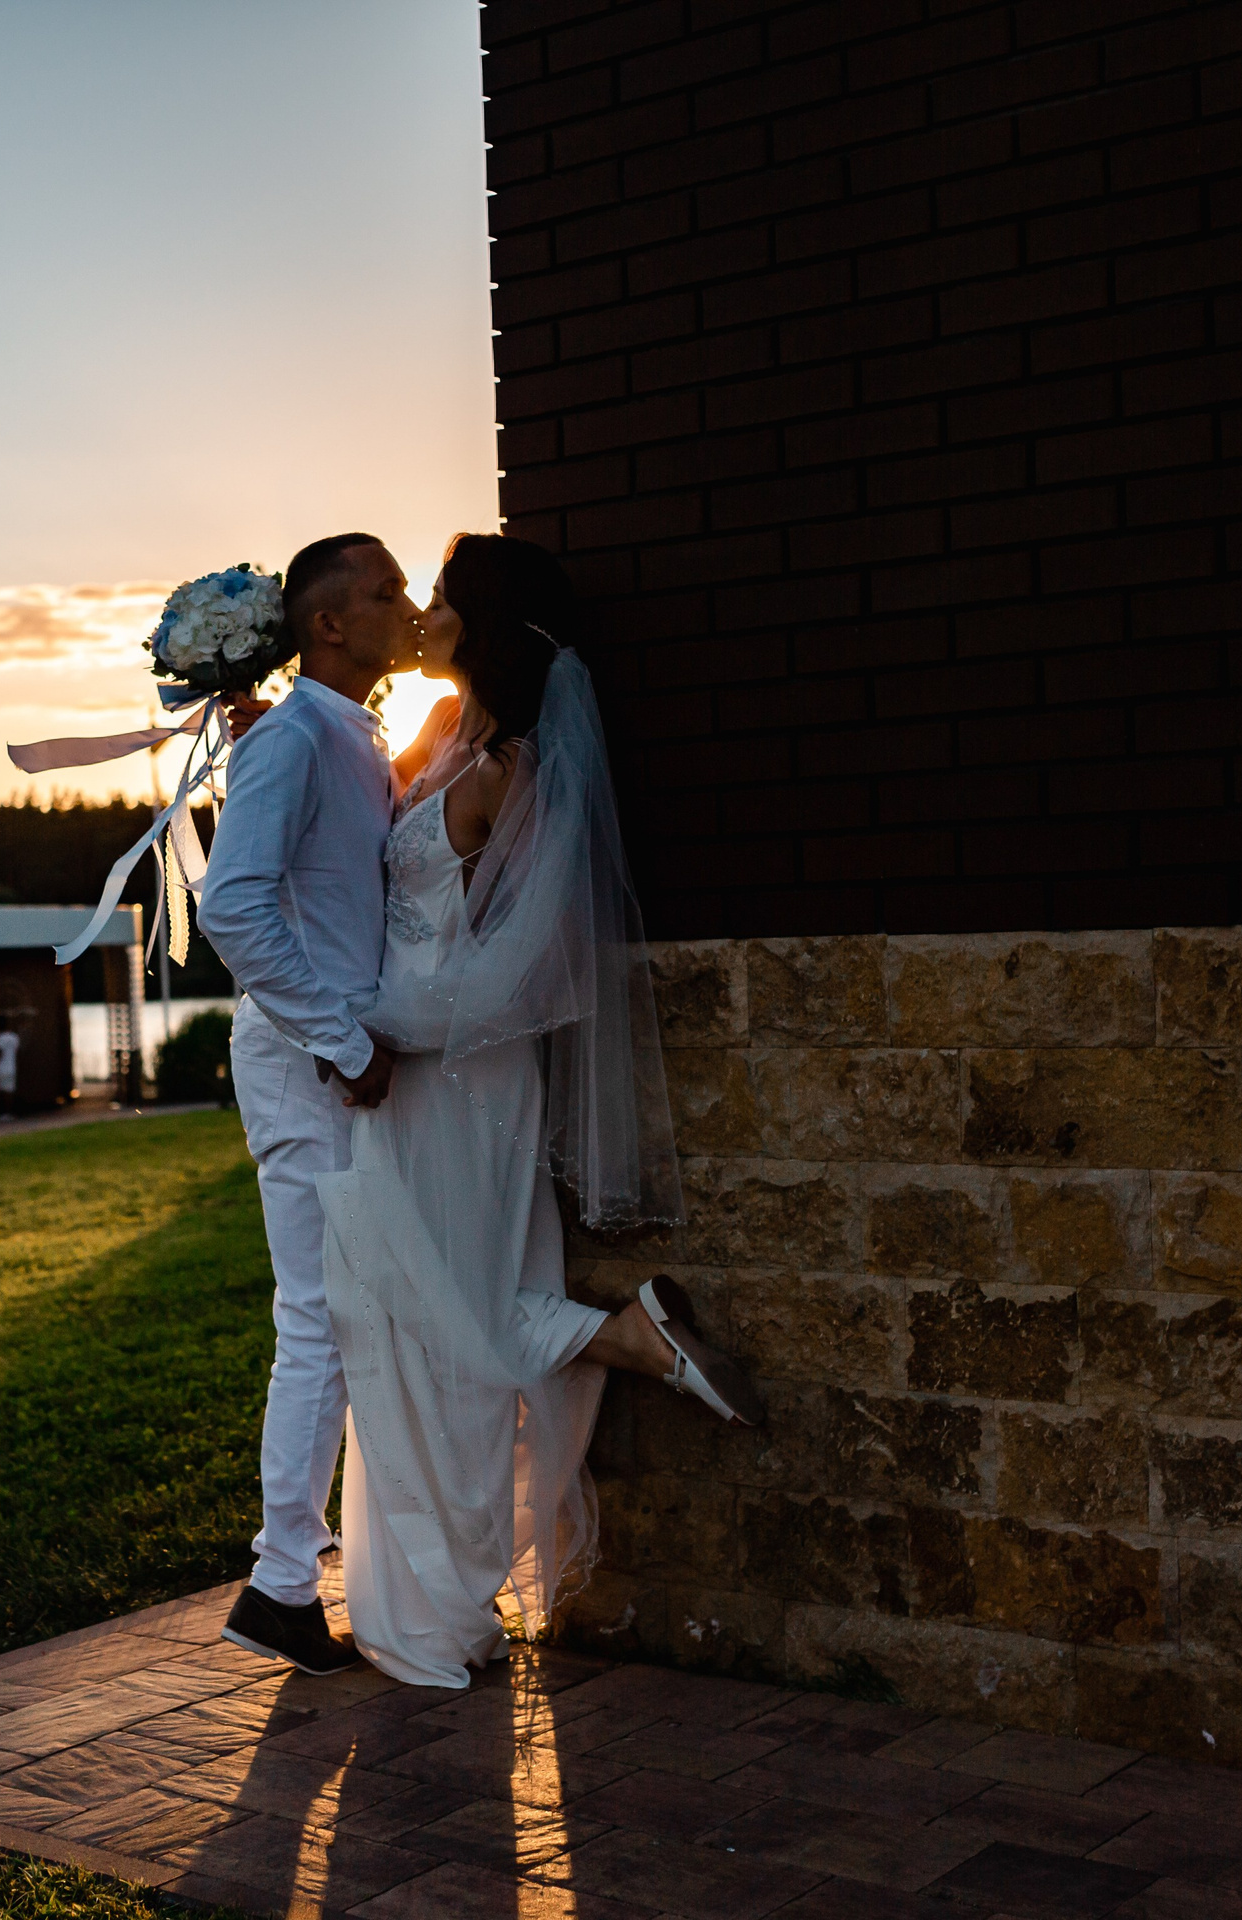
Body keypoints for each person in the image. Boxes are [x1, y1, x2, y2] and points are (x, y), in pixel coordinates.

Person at [320, 532, 760, 1690]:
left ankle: (447, 1592)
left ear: (486, 622)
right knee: (411, 1307)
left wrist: (369, 1029)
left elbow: (526, 969)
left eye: (442, 599)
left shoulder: (510, 769)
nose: (424, 615)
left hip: (458, 1075)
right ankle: (623, 1341)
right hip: (405, 1076)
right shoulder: (438, 735)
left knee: (446, 1315)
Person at [197, 532, 423, 1676]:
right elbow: (230, 909)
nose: (408, 603)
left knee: (349, 1315)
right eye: (387, 590)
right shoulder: (291, 738)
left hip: (340, 1059)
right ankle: (281, 1584)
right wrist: (339, 1039)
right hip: (305, 1063)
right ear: (328, 624)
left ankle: (305, 1574)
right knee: (317, 1321)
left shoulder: (342, 733)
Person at [0, 1016, 21, 1118]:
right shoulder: (14, 1037)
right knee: (10, 1090)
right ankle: (10, 1112)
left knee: (4, 1091)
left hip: (2, 1067)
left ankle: (7, 1113)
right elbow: (17, 1051)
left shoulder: (0, 1038)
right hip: (12, 1066)